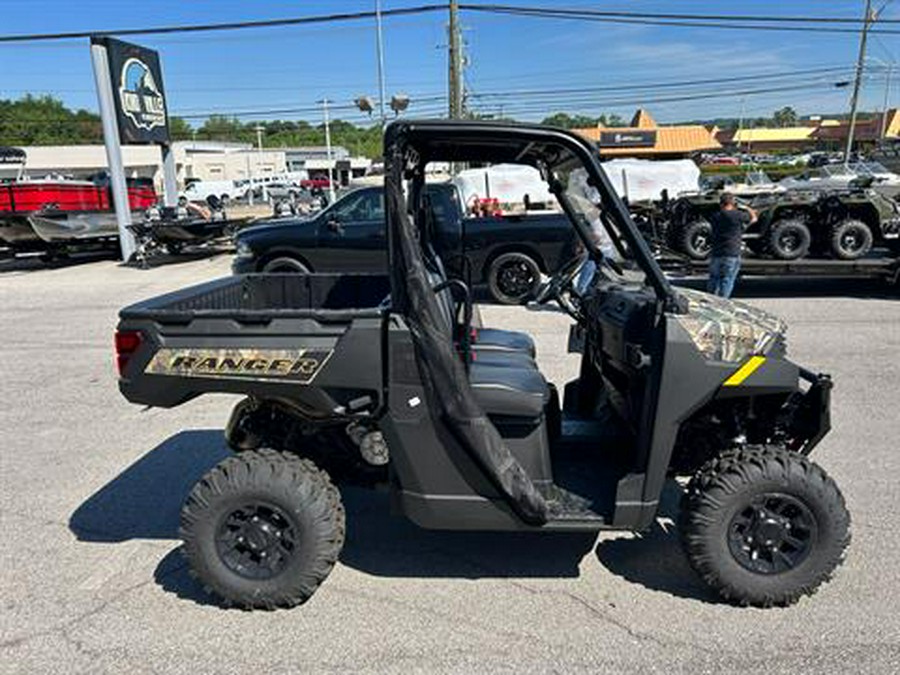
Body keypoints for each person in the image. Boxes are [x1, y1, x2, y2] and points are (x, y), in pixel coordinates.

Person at [708, 192, 756, 298]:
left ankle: (710, 300)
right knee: (727, 280)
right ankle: (723, 303)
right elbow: (753, 219)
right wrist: (749, 209)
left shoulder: (715, 216)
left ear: (721, 203)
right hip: (731, 253)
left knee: (713, 279)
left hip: (716, 253)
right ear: (733, 203)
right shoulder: (738, 215)